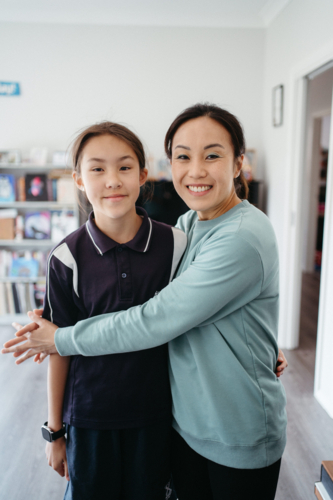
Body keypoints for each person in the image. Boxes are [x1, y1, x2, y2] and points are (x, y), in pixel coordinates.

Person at [3, 104, 288, 500]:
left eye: (213, 155)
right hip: (172, 425)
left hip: (226, 431)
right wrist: (55, 428)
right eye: (183, 157)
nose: (196, 170)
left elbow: (156, 319)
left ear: (239, 163)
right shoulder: (191, 225)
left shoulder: (231, 237)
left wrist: (61, 337)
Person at [17, 122, 187, 500]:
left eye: (125, 167)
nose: (113, 180)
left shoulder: (175, 244)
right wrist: (55, 431)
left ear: (143, 176)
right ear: (78, 179)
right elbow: (57, 347)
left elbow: (201, 311)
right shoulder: (65, 256)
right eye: (97, 169)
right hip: (90, 418)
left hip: (158, 415)